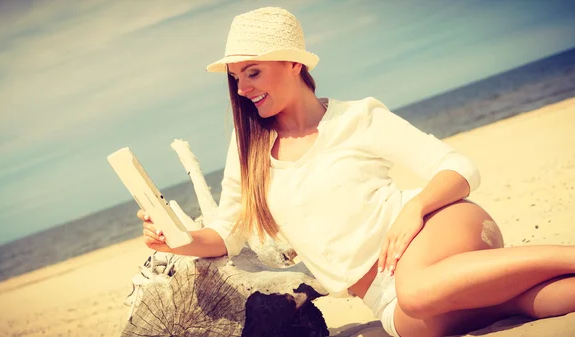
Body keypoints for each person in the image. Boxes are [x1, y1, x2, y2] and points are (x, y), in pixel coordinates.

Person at [136, 6, 575, 337]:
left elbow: (458, 167)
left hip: (435, 234)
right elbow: (227, 234)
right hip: (385, 299)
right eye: (236, 78)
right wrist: (178, 242)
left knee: (419, 290)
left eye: (252, 72)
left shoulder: (357, 118)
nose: (243, 88)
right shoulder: (249, 149)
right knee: (520, 304)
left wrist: (416, 208)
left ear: (294, 64)